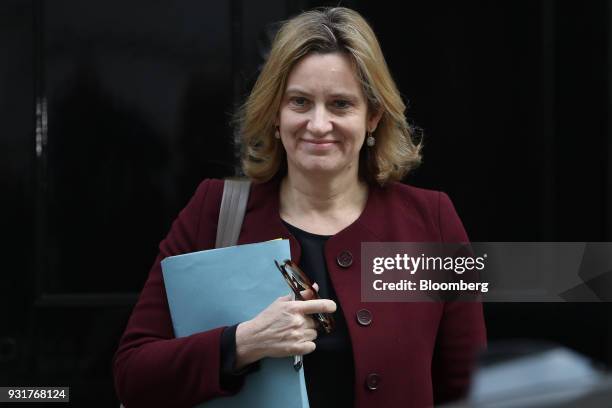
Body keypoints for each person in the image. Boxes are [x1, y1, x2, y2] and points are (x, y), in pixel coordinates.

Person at [113, 7, 486, 408]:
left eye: (341, 104)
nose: (318, 124)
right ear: (276, 113)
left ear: (373, 116)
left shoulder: (433, 221)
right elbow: (132, 375)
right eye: (300, 102)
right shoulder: (212, 210)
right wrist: (241, 343)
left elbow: (470, 390)